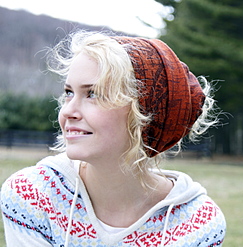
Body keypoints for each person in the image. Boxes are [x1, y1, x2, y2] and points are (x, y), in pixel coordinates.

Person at [0, 31, 226, 247]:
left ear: (145, 113)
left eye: (93, 94)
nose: (68, 111)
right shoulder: (33, 195)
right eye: (69, 92)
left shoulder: (196, 223)